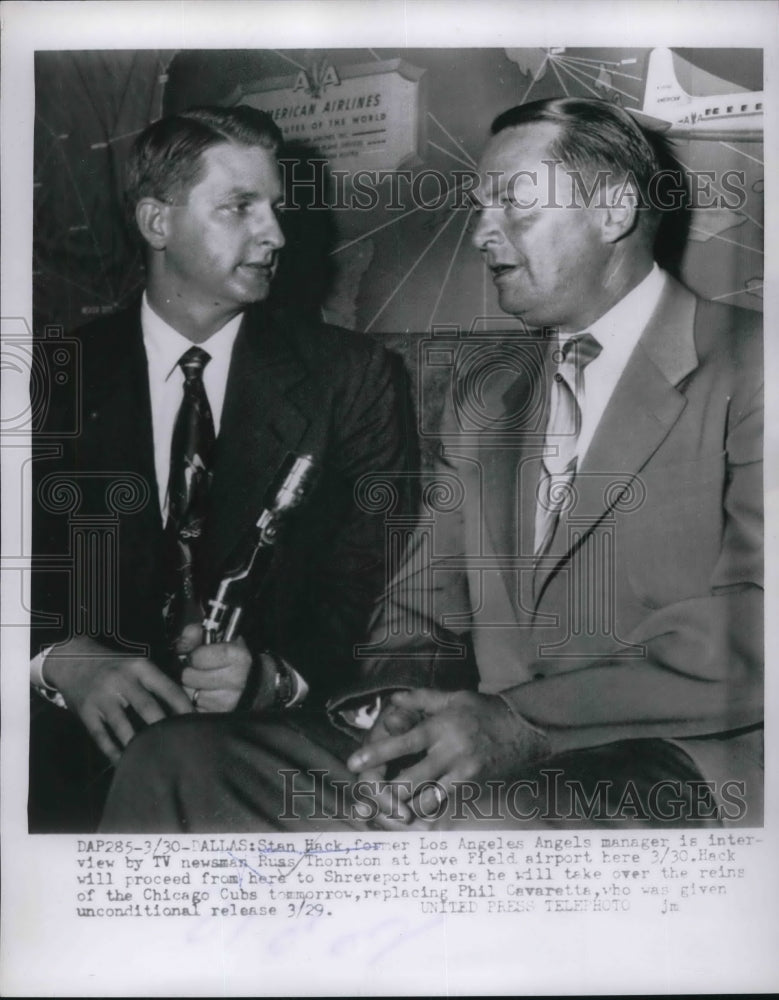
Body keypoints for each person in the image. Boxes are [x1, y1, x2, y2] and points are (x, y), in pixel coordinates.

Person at [100, 97, 763, 832]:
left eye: (511, 204)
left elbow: (755, 629)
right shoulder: (488, 401)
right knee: (175, 758)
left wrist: (517, 720)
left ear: (612, 212)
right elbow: (416, 615)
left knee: (482, 826)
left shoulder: (752, 365)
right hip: (487, 752)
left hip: (683, 762)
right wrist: (394, 720)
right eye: (479, 207)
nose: (481, 232)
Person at [29, 105, 413, 831]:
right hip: (53, 757)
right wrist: (56, 659)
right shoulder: (48, 377)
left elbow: (370, 586)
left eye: (274, 206)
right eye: (239, 207)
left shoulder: (353, 378)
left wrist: (273, 676)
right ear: (156, 222)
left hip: (248, 759)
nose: (274, 233)